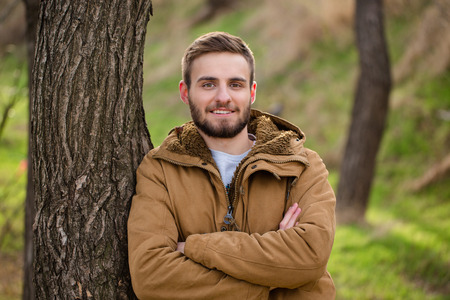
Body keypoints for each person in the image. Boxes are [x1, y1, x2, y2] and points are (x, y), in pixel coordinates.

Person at [128, 31, 336, 299]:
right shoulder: (160, 169)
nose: (223, 97)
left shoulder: (301, 165)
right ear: (185, 92)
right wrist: (277, 275)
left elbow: (310, 257)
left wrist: (194, 248)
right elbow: (152, 277)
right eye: (208, 84)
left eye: (235, 85)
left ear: (251, 92)